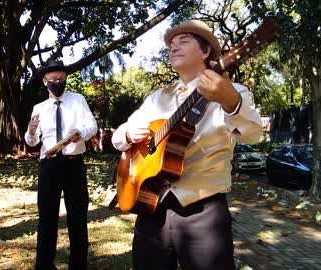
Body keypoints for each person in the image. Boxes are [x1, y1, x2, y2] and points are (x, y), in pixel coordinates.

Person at [111, 20, 263, 269]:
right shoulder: (157, 98)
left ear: (205, 52)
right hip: (152, 206)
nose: (174, 47)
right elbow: (118, 138)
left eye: (184, 41)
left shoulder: (233, 91)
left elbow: (252, 135)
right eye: (171, 44)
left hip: (203, 213)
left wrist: (231, 102)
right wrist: (128, 134)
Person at [25, 60, 98, 270]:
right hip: (48, 166)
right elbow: (32, 142)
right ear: (44, 82)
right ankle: (44, 265)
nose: (58, 83)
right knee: (47, 218)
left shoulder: (78, 100)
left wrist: (80, 135)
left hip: (74, 165)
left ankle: (78, 264)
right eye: (53, 80)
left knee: (77, 218)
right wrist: (30, 131)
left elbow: (91, 125)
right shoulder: (38, 108)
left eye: (61, 79)